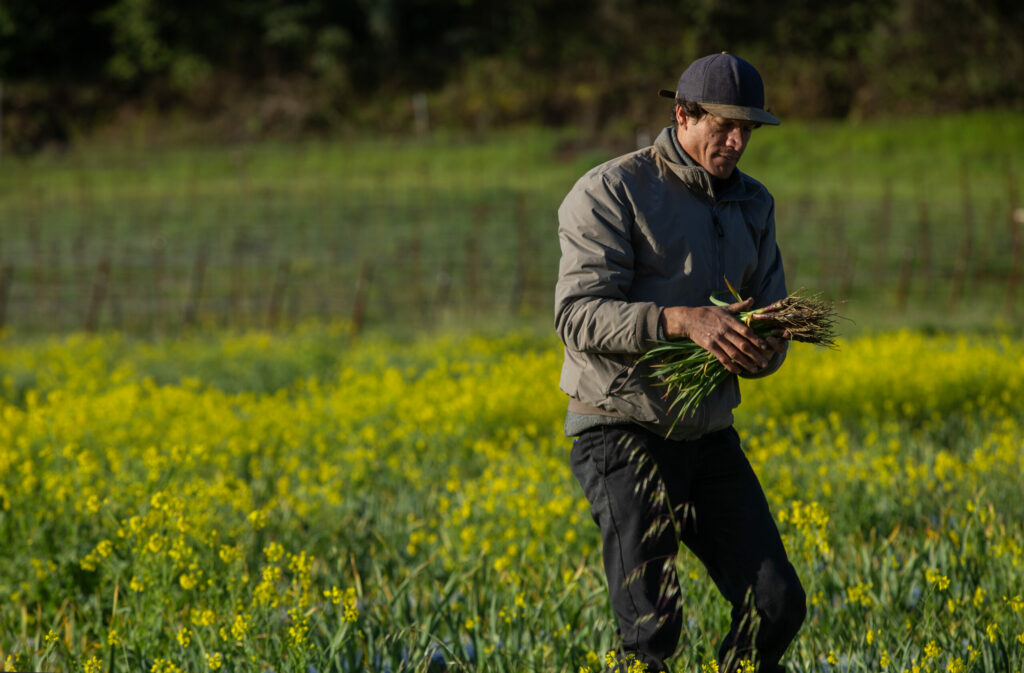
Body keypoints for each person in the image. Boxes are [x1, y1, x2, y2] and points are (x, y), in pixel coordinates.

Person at [554, 53, 806, 673]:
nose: (738, 141)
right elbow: (577, 316)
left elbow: (768, 311)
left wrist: (763, 349)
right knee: (651, 628)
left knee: (776, 603)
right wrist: (682, 319)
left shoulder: (754, 204)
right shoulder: (613, 188)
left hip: (707, 432)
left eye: (749, 130)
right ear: (683, 115)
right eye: (724, 125)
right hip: (621, 425)